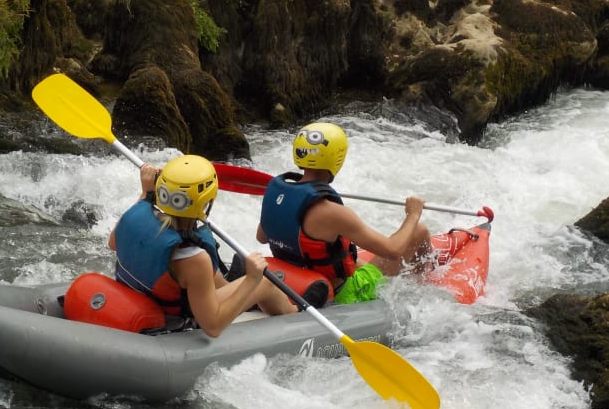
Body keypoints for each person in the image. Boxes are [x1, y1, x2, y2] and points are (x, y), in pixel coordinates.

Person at [109, 154, 297, 337]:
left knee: (208, 274)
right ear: (205, 202)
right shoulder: (193, 257)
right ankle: (294, 313)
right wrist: (252, 279)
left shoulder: (137, 211)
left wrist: (145, 193)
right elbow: (212, 327)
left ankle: (239, 291)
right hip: (177, 314)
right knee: (266, 281)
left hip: (152, 293)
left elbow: (113, 243)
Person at [256, 122, 431, 304]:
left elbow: (262, 237)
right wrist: (413, 213)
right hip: (343, 293)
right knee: (419, 230)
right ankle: (421, 288)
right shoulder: (332, 212)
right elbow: (393, 250)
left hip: (296, 279)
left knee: (354, 260)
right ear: (336, 158)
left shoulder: (277, 193)